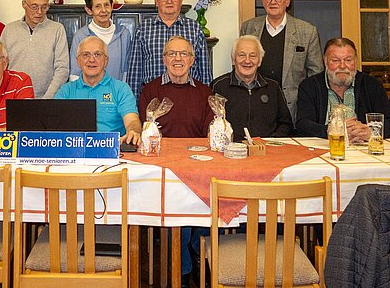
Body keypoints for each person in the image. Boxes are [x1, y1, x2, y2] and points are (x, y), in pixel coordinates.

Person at [137, 35, 213, 286]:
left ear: (192, 60)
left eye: (183, 54)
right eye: (172, 53)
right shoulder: (151, 91)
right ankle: (183, 268)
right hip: (163, 170)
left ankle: (195, 251)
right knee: (174, 205)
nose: (178, 59)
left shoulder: (205, 93)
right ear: (163, 59)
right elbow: (146, 131)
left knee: (209, 200)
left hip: (198, 167)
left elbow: (208, 136)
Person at [240, 0, 323, 123]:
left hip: (292, 105)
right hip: (254, 102)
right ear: (263, 1)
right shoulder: (248, 27)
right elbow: (240, 64)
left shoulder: (307, 31)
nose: (273, 2)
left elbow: (315, 73)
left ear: (287, 1)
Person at [296, 37, 390, 142]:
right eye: (335, 60)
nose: (342, 66)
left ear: (355, 60)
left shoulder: (371, 85)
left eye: (348, 60)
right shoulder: (310, 86)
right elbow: (303, 125)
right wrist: (333, 131)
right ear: (325, 61)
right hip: (324, 146)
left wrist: (370, 131)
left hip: (364, 146)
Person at [127, 0, 212, 99]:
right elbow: (135, 71)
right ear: (156, 1)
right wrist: (133, 103)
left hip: (189, 97)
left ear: (181, 0)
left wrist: (208, 99)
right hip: (153, 97)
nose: (169, 1)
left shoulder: (194, 28)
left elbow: (204, 69)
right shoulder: (143, 28)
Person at [56, 36, 141, 145]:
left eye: (97, 54)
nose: (91, 60)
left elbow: (132, 120)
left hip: (112, 150)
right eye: (86, 55)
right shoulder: (66, 91)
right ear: (78, 61)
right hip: (74, 149)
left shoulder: (121, 89)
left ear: (106, 61)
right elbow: (55, 126)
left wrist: (133, 131)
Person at [211, 35, 293, 141]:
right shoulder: (219, 86)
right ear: (233, 60)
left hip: (267, 147)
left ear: (259, 61)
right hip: (231, 148)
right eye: (242, 55)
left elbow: (285, 124)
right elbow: (212, 124)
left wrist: (271, 141)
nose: (247, 61)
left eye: (253, 56)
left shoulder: (273, 87)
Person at [0, 0, 69, 98]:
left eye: (44, 7)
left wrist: (47, 99)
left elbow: (62, 69)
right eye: (34, 6)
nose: (39, 12)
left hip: (47, 98)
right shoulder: (9, 30)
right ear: (24, 4)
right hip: (14, 97)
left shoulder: (57, 29)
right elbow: (1, 65)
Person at [69, 0, 131, 81]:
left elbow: (126, 73)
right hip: (89, 90)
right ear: (89, 10)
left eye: (106, 5)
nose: (103, 10)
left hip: (117, 90)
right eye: (98, 6)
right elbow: (75, 75)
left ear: (112, 6)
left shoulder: (123, 34)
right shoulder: (81, 36)